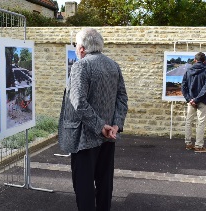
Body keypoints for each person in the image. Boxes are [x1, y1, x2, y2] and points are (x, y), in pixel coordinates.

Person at [58, 28, 128, 211]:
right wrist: (115, 125)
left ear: (81, 48)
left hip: (85, 138)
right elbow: (122, 99)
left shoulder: (81, 65)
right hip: (108, 136)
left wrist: (101, 126)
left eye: (75, 45)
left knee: (84, 188)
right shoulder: (113, 65)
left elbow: (78, 102)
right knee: (105, 185)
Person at [181, 52, 206, 153]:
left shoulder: (188, 70)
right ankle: (199, 146)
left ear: (195, 60)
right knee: (201, 122)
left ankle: (188, 144)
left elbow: (183, 86)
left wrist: (189, 99)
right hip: (202, 100)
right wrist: (197, 99)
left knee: (188, 121)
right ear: (204, 60)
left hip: (191, 100)